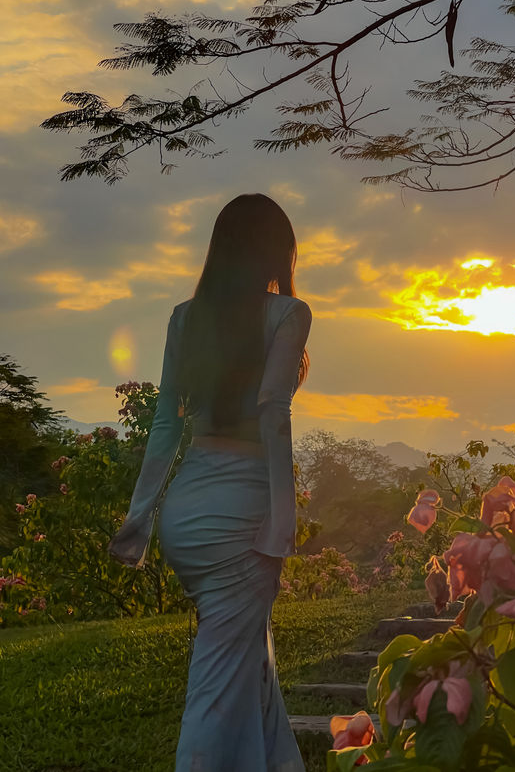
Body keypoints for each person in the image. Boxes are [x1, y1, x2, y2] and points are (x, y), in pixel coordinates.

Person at [107, 193, 312, 772]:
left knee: (252, 661)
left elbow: (167, 420)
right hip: (240, 513)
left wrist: (141, 518)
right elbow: (274, 409)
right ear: (275, 251)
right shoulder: (287, 313)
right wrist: (282, 518)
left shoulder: (184, 317)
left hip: (187, 510)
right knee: (218, 684)